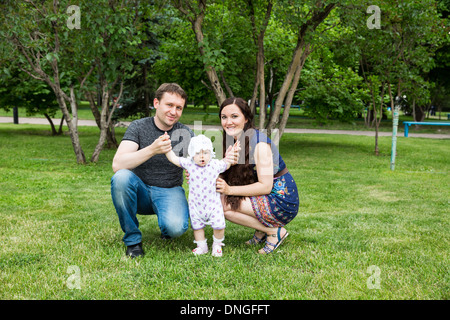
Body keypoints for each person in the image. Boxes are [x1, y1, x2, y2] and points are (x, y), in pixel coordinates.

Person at [110, 83, 194, 258]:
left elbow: (199, 162)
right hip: (140, 192)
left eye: (179, 108)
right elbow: (118, 164)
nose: (174, 111)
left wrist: (195, 169)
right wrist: (152, 150)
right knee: (121, 178)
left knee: (176, 228)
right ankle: (133, 241)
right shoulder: (138, 127)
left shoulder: (185, 133)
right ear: (156, 103)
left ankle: (167, 228)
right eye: (169, 105)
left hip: (170, 190)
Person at [216, 97, 299, 254]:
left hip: (281, 198)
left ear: (246, 118)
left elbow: (266, 186)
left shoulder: (260, 145)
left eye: (234, 116)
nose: (228, 122)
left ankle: (274, 232)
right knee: (220, 200)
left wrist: (229, 190)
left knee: (225, 207)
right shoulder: (232, 140)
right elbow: (225, 173)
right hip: (265, 195)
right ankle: (261, 231)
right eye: (224, 117)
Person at [164, 134, 240, 257]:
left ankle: (217, 245)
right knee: (197, 227)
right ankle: (201, 246)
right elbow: (173, 159)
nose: (202, 156)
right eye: (198, 153)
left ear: (211, 153)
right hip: (196, 204)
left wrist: (232, 152)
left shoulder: (215, 165)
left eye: (205, 153)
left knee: (219, 225)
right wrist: (167, 147)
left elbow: (228, 162)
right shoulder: (189, 164)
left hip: (213, 204)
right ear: (192, 155)